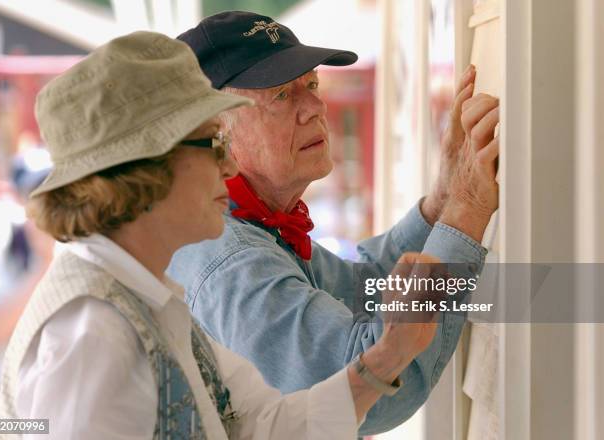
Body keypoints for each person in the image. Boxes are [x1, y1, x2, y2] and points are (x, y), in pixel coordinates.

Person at [0, 31, 451, 440]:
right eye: (213, 144)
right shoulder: (92, 336)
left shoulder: (145, 296)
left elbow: (261, 426)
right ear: (148, 170)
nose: (228, 166)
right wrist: (462, 214)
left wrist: (388, 356)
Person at [170, 11, 500, 435]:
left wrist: (442, 204)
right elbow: (364, 389)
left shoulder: (251, 225)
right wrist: (467, 209)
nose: (315, 107)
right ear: (217, 131)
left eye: (310, 84)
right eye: (282, 96)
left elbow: (364, 289)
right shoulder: (229, 261)